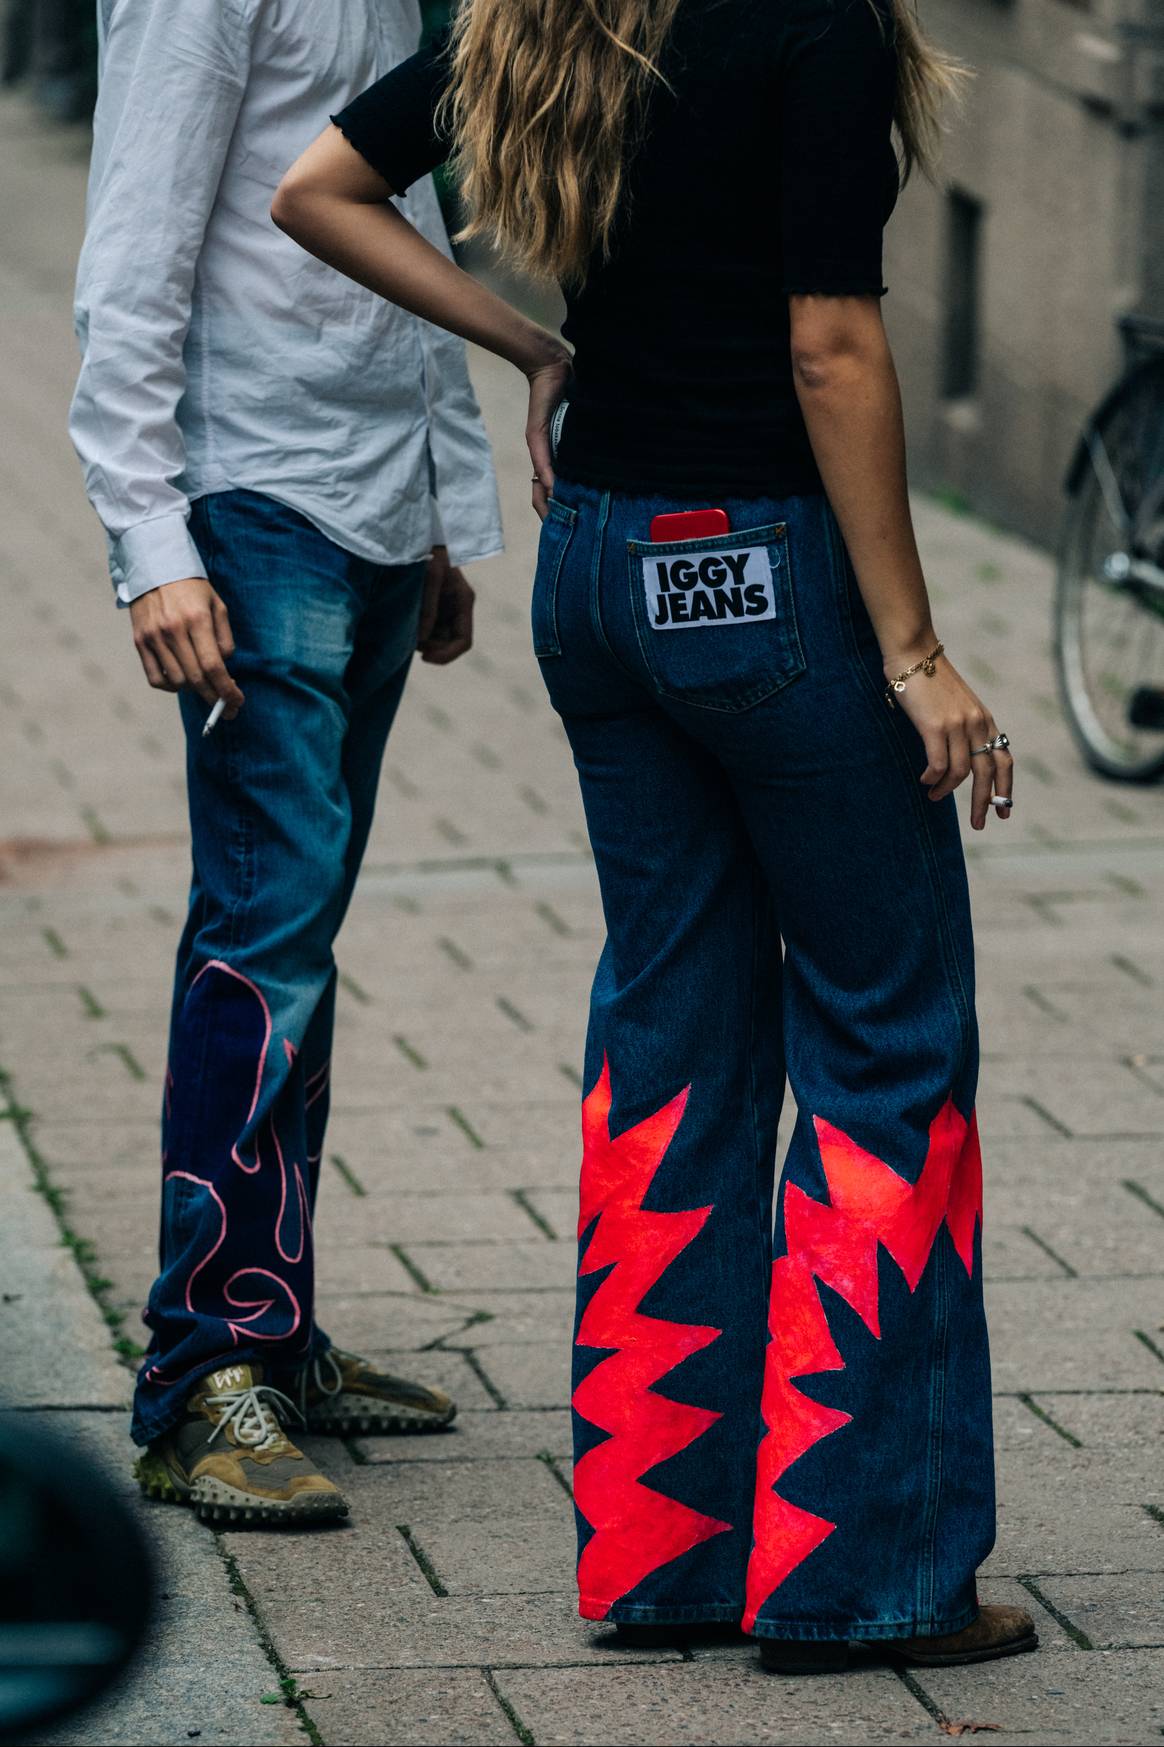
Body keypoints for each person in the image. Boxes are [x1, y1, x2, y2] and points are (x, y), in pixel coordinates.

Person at [273, 0, 1035, 1669]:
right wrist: (913, 651)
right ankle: (861, 1577)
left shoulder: (535, 15)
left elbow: (319, 188)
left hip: (602, 571)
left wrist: (537, 349)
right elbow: (828, 345)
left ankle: (662, 1551)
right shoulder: (811, 24)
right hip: (756, 566)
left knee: (672, 1039)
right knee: (885, 1038)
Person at [69, 0, 502, 1526]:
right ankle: (203, 1378)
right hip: (254, 499)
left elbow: (404, 211)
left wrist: (444, 506)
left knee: (296, 931)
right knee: (264, 929)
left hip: (372, 500)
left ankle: (274, 1326)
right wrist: (150, 545)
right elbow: (133, 242)